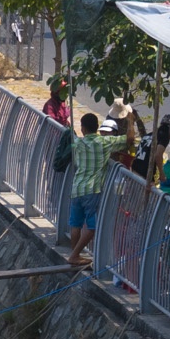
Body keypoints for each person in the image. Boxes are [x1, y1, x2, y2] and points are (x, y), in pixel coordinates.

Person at [66, 112, 131, 266]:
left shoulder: (78, 143)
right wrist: (131, 120)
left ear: (82, 128)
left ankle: (75, 254)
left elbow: (71, 143)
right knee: (93, 226)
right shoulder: (104, 142)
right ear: (97, 127)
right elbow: (128, 139)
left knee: (75, 224)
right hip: (92, 189)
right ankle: (75, 255)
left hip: (77, 188)